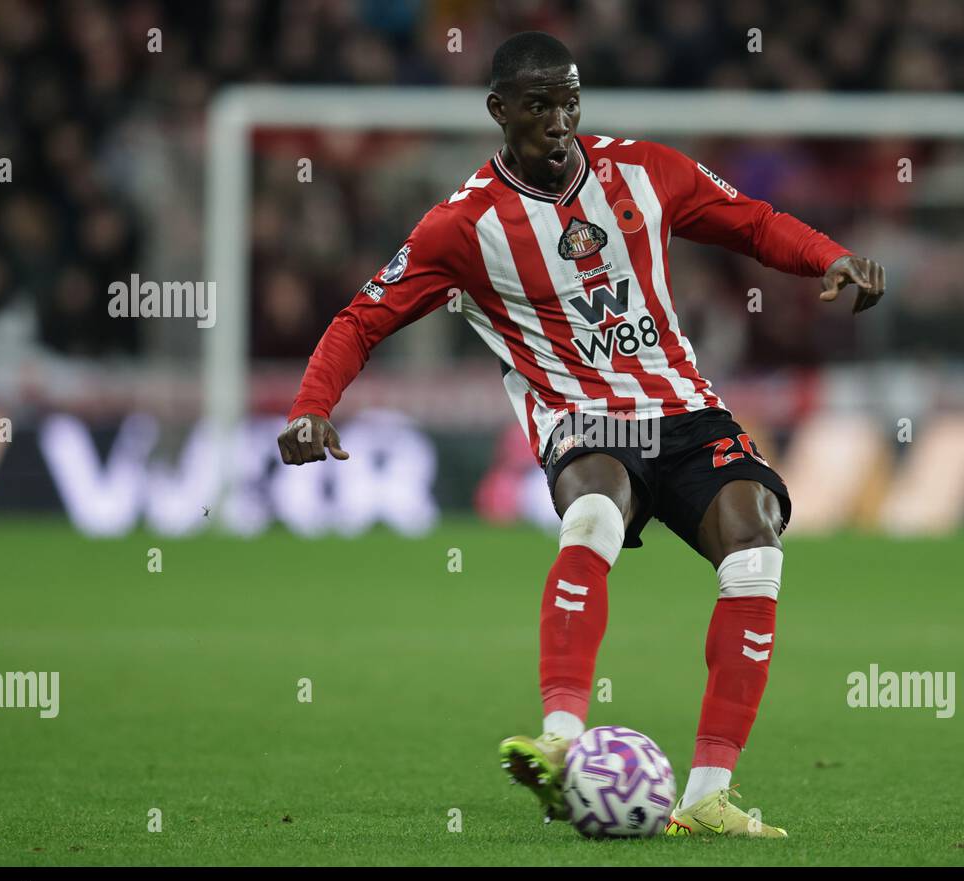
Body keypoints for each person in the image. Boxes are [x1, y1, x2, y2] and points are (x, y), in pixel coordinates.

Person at [277, 31, 886, 838]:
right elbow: (363, 318)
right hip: (580, 417)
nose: (559, 121)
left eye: (568, 102)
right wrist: (312, 405)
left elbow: (751, 222)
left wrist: (828, 258)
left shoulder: (646, 170)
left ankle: (707, 795)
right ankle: (562, 740)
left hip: (683, 410)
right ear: (499, 111)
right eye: (538, 106)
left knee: (756, 548)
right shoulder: (462, 226)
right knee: (594, 510)